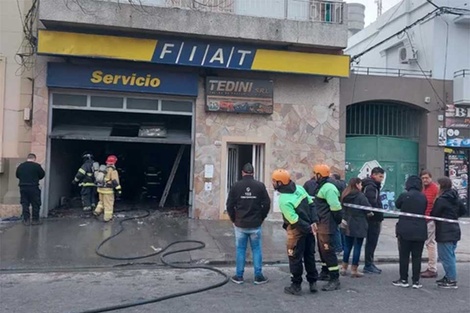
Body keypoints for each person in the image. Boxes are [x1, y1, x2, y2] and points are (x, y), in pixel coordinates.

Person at [272, 169, 319, 295]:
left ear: (280, 183)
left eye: (274, 181)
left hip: (296, 231)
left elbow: (294, 220)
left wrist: (308, 228)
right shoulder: (300, 189)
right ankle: (312, 282)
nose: (273, 183)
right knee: (309, 256)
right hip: (309, 227)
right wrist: (313, 222)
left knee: (294, 257)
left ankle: (296, 285)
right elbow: (312, 204)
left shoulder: (283, 200)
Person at [226, 163, 271, 285]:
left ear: (242, 172)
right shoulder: (260, 186)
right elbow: (267, 203)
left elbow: (229, 205)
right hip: (255, 223)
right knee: (256, 249)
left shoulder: (236, 186)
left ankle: (239, 276)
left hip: (240, 223)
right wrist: (262, 217)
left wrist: (233, 218)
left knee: (240, 249)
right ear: (253, 172)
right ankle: (258, 276)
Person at [431, 177, 468, 289]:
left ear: (441, 186)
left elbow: (434, 213)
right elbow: (463, 210)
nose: (436, 187)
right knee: (450, 254)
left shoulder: (441, 199)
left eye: (437, 185)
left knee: (446, 256)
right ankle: (448, 276)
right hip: (455, 230)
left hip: (444, 231)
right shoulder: (455, 197)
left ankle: (451, 279)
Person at [392, 175, 427, 289]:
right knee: (417, 256)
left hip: (405, 229)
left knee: (404, 256)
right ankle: (416, 281)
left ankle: (403, 279)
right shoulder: (423, 197)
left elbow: (397, 205)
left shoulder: (404, 195)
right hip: (420, 229)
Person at [312, 164, 342, 291]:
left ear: (319, 175)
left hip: (327, 225)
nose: (314, 176)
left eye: (315, 174)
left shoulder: (328, 188)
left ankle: (334, 279)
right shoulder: (322, 186)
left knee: (328, 252)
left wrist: (336, 222)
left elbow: (335, 207)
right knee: (322, 251)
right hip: (322, 224)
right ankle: (325, 272)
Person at [340, 177, 370, 278]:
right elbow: (367, 208)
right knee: (357, 246)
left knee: (347, 246)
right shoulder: (360, 196)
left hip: (347, 222)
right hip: (359, 223)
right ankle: (354, 269)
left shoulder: (345, 194)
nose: (361, 186)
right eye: (361, 184)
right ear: (357, 184)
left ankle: (344, 267)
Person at [361, 167, 385, 274]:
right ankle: (368, 264)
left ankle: (369, 263)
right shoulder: (371, 187)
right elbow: (372, 203)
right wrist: (377, 213)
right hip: (373, 219)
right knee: (371, 242)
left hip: (372, 218)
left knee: (371, 242)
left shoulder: (371, 185)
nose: (381, 179)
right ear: (374, 175)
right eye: (380, 176)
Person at [15, 153, 45, 225]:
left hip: (23, 187)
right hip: (33, 187)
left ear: (27, 158)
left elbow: (17, 175)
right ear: (34, 159)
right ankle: (35, 220)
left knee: (25, 203)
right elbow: (42, 175)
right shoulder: (37, 166)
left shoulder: (21, 166)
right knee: (36, 203)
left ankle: (26, 220)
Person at [420, 170, 439, 279]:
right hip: (423, 219)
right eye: (423, 178)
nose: (425, 180)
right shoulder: (423, 189)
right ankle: (431, 267)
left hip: (430, 219)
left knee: (430, 244)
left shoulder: (435, 188)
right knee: (428, 244)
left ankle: (432, 268)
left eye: (426, 178)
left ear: (431, 178)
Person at [93, 155, 121, 222]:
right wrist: (119, 190)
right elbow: (115, 181)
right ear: (114, 162)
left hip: (100, 189)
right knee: (108, 204)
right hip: (108, 191)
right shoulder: (113, 170)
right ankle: (107, 218)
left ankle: (97, 211)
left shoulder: (103, 169)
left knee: (101, 202)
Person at [331, 173, 347, 255]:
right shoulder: (343, 184)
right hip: (343, 209)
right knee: (342, 229)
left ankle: (338, 248)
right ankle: (343, 246)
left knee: (337, 229)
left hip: (338, 208)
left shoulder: (334, 185)